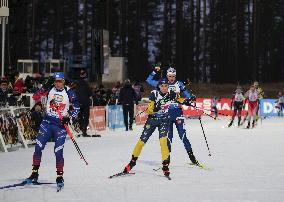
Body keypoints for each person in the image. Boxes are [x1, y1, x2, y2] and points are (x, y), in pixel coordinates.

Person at [23, 72, 80, 190]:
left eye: (60, 81)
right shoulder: (49, 88)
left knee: (58, 151)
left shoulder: (69, 92)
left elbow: (77, 107)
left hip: (60, 126)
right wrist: (45, 86)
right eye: (56, 81)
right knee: (38, 148)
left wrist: (68, 117)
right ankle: (34, 173)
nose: (58, 83)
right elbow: (35, 96)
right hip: (47, 123)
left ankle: (60, 176)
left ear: (64, 81)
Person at [123, 79, 186, 178]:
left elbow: (180, 100)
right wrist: (154, 109)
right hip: (152, 120)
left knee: (163, 142)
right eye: (162, 86)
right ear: (159, 86)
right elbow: (150, 110)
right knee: (141, 142)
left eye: (166, 86)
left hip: (164, 120)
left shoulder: (171, 93)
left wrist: (188, 101)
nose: (164, 88)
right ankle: (132, 162)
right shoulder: (154, 94)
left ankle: (165, 166)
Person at [146, 66, 200, 166]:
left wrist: (191, 98)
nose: (171, 78)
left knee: (183, 136)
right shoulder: (162, 84)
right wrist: (154, 71)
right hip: (166, 115)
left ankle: (192, 158)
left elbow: (188, 96)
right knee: (169, 137)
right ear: (167, 76)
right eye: (170, 76)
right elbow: (148, 80)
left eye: (173, 76)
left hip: (178, 113)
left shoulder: (179, 84)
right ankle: (167, 159)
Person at [75, 70, 93, 137]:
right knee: (85, 117)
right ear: (84, 75)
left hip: (78, 103)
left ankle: (81, 129)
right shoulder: (86, 83)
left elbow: (75, 93)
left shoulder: (76, 83)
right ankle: (84, 131)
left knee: (80, 117)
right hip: (85, 103)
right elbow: (90, 93)